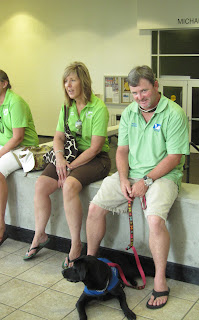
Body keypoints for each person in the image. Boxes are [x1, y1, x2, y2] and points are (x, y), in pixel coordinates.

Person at [86, 65, 189, 310]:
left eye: (143, 91)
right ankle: (90, 265)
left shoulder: (173, 113)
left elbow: (174, 157)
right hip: (130, 174)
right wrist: (123, 178)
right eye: (134, 93)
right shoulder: (130, 112)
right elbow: (121, 150)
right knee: (94, 208)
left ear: (155, 86)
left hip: (163, 176)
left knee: (154, 220)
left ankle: (161, 281)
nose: (139, 97)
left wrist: (147, 181)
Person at [24, 62, 111, 268]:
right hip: (70, 155)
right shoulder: (66, 107)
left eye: (72, 80)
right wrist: (61, 159)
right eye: (65, 81)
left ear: (84, 81)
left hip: (96, 159)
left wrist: (69, 167)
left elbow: (96, 148)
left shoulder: (98, 108)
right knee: (41, 185)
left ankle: (76, 245)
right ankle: (40, 235)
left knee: (69, 185)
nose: (68, 85)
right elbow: (57, 137)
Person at [0, 70, 39, 245]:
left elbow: (18, 138)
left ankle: (1, 226)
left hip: (23, 148)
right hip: (7, 146)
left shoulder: (15, 102)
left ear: (4, 83)